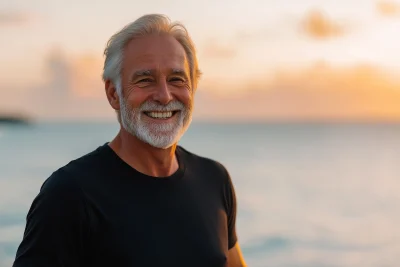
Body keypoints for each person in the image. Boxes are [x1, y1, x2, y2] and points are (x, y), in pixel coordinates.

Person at [12, 14, 247, 267]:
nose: (165, 96)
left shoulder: (214, 179)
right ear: (114, 94)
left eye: (177, 79)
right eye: (145, 80)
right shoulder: (69, 195)